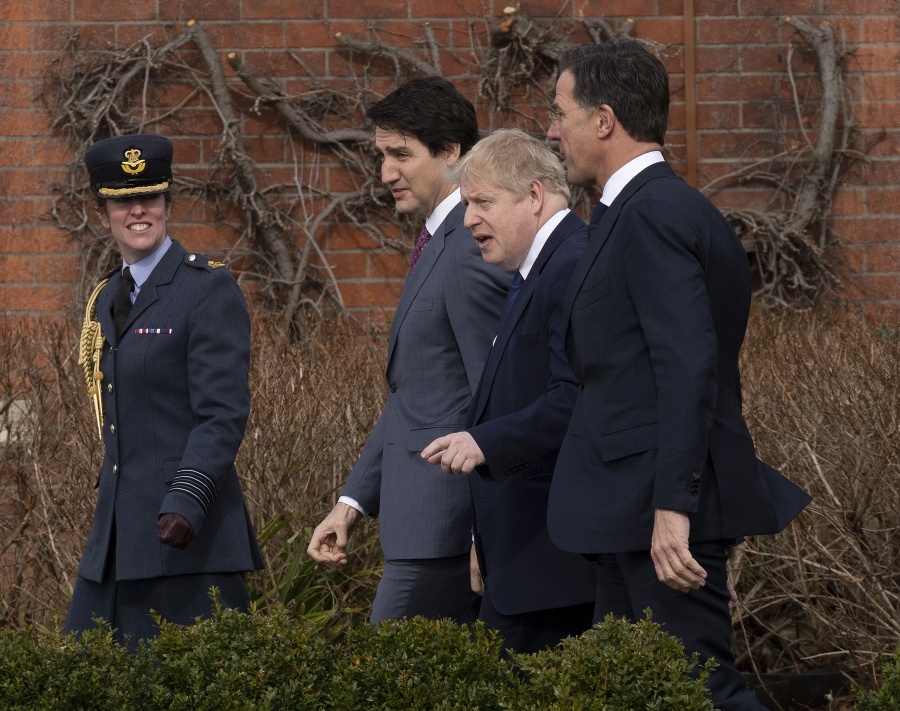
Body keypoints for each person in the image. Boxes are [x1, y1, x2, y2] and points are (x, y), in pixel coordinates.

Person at [545, 43, 812, 709]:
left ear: (603, 120)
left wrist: (675, 507)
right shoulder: (634, 212)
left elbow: (687, 364)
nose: (551, 130)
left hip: (658, 515)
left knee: (701, 690)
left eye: (560, 113)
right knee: (626, 692)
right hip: (625, 510)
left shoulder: (656, 213)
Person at [307, 77, 511, 623]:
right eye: (382, 155)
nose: (385, 173)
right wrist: (351, 503)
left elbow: (495, 396)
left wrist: (484, 532)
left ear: (451, 153)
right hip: (421, 531)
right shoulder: (439, 244)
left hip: (447, 535)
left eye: (401, 154)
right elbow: (415, 397)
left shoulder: (470, 249)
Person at [65, 133, 264, 649]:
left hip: (186, 539)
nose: (137, 211)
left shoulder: (206, 289)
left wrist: (187, 499)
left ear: (167, 203)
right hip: (116, 541)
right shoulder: (106, 296)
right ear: (103, 208)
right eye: (122, 200)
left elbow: (222, 412)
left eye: (149, 197)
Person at [420, 129, 595, 654]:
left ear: (535, 196)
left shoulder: (570, 266)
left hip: (556, 567)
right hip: (524, 563)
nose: (468, 218)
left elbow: (582, 398)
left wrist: (485, 443)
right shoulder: (538, 269)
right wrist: (486, 539)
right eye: (467, 202)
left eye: (482, 202)